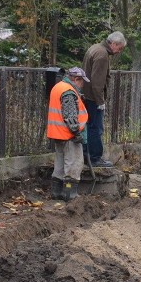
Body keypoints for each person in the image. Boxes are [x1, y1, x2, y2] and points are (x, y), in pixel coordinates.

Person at [81, 31, 126, 168]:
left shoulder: (95, 48)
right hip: (93, 98)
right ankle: (95, 158)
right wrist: (100, 102)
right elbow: (97, 82)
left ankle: (86, 156)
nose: (119, 51)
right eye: (119, 48)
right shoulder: (102, 55)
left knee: (88, 127)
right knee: (96, 128)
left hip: (87, 95)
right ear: (113, 43)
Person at [47, 67, 89, 201]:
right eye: (82, 82)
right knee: (73, 165)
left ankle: (56, 192)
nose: (82, 85)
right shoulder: (68, 92)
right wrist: (77, 133)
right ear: (76, 79)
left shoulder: (58, 87)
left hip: (57, 133)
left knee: (59, 164)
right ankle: (70, 195)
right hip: (69, 135)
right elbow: (70, 116)